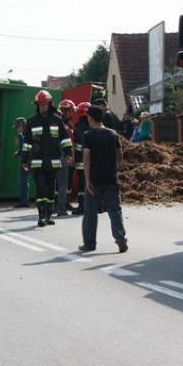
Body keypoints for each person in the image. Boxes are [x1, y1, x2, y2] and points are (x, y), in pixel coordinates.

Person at [78, 105, 128, 253]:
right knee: (114, 210)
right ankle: (120, 239)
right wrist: (115, 167)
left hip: (95, 180)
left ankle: (89, 244)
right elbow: (120, 154)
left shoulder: (88, 135)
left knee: (90, 213)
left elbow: (86, 157)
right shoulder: (113, 134)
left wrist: (87, 180)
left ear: (91, 118)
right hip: (112, 179)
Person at [22, 90, 72, 227]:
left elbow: (65, 139)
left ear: (50, 104)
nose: (42, 107)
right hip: (37, 162)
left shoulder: (57, 120)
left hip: (53, 161)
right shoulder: (31, 122)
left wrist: (69, 153)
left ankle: (49, 216)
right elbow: (26, 144)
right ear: (37, 105)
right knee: (41, 187)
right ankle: (41, 217)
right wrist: (24, 160)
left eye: (45, 104)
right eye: (40, 104)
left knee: (50, 189)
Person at [55, 99, 76, 216]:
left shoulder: (53, 126)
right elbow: (70, 143)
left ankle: (54, 206)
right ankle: (61, 207)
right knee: (62, 183)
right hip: (63, 157)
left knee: (54, 183)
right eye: (70, 111)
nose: (72, 114)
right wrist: (71, 157)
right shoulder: (65, 128)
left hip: (52, 157)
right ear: (63, 112)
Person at [71, 101, 92, 215]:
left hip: (81, 162)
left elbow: (79, 146)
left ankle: (82, 206)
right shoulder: (93, 125)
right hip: (94, 162)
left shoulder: (79, 128)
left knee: (82, 184)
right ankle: (97, 206)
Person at [13, 117, 30, 208]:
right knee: (24, 182)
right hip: (27, 159)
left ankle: (24, 201)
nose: (17, 129)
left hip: (26, 161)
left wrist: (20, 134)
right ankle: (24, 201)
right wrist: (18, 152)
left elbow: (25, 146)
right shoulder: (26, 134)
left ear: (21, 127)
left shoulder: (23, 135)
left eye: (18, 127)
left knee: (23, 181)